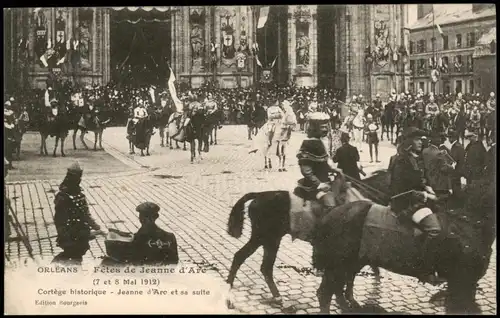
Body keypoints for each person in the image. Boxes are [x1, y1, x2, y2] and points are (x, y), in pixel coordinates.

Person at [389, 127, 444, 285]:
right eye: (417, 139)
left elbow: (419, 180)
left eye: (422, 139)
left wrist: (427, 187)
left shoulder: (415, 158)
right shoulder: (401, 161)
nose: (421, 142)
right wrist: (425, 195)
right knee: (434, 230)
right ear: (408, 142)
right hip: (406, 204)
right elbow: (400, 189)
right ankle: (424, 270)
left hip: (418, 200)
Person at [296, 112, 343, 275]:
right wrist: (319, 184)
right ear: (314, 127)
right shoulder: (309, 143)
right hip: (314, 186)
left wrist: (335, 169)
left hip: (327, 182)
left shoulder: (320, 142)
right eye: (322, 126)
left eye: (326, 125)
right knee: (330, 208)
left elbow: (323, 162)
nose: (326, 129)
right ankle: (320, 248)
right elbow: (306, 169)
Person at [52, 162, 105, 265]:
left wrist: (97, 228)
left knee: (78, 257)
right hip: (70, 235)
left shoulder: (79, 194)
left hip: (81, 233)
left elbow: (86, 215)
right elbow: (59, 220)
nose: (78, 180)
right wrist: (64, 236)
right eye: (76, 177)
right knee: (72, 256)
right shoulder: (62, 197)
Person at [422, 132, 454, 197]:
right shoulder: (438, 153)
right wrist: (452, 166)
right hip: (438, 183)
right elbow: (444, 168)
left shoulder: (425, 151)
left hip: (428, 181)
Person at [446, 129, 465, 195]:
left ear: (453, 138)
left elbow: (454, 160)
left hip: (456, 172)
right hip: (457, 172)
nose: (448, 139)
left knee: (456, 189)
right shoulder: (457, 146)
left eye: (450, 137)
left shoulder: (457, 147)